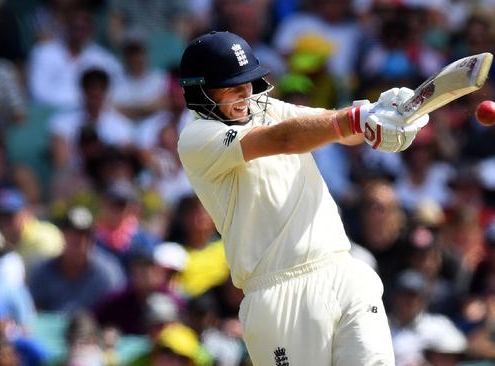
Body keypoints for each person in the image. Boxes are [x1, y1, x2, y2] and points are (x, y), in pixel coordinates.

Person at [177, 31, 428, 365]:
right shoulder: (196, 139)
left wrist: (383, 115)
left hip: (341, 270)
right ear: (200, 92)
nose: (245, 93)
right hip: (278, 296)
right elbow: (283, 138)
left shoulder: (265, 107)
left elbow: (327, 125)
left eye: (249, 82)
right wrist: (354, 119)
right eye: (231, 86)